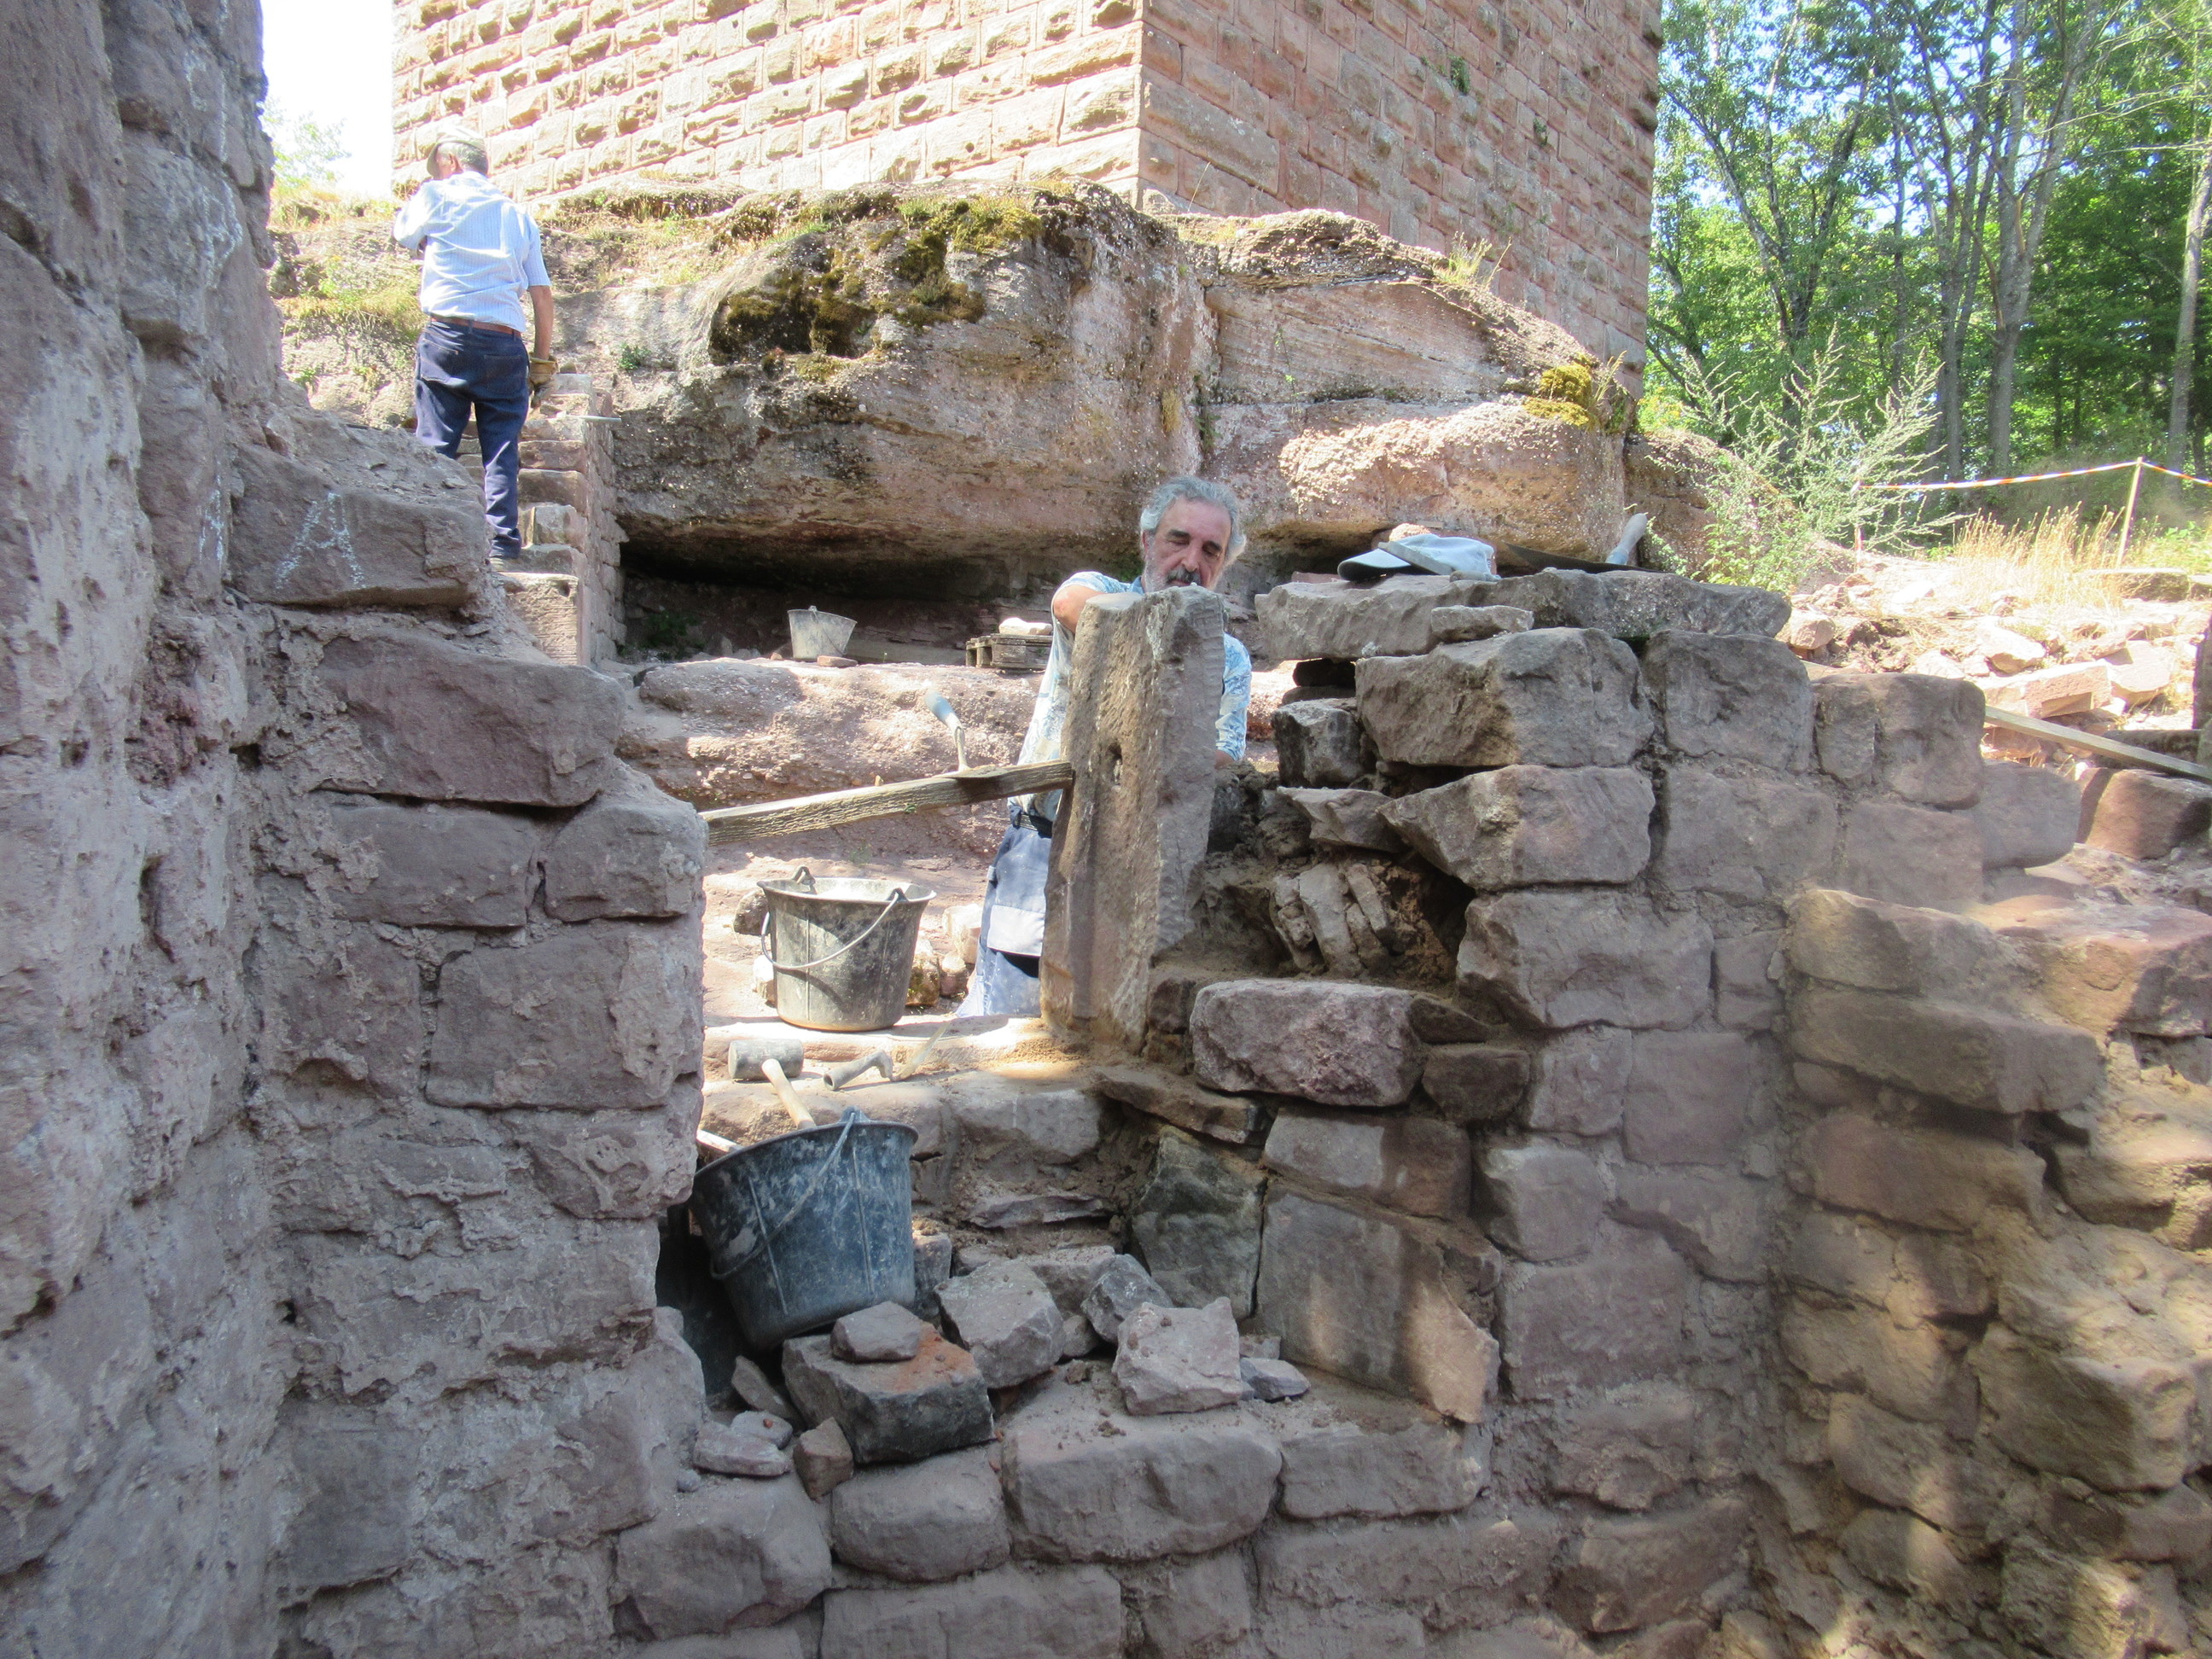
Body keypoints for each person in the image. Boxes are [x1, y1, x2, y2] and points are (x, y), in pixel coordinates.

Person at [961, 476, 1254, 1017]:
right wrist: (1160, 631)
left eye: (1210, 550)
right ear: (1147, 540)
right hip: (1047, 843)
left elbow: (1226, 752)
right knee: (1005, 1022)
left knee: (1104, 1028)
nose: (1191, 562)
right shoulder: (1102, 592)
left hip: (1143, 866)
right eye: (1178, 540)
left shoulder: (1229, 656)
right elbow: (1068, 602)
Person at [393, 130, 558, 562]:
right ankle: (502, 544)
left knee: (436, 445)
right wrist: (542, 360)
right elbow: (541, 294)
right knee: (501, 450)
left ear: (450, 162)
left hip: (447, 336)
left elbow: (403, 233)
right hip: (505, 343)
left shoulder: (436, 194)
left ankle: (432, 544)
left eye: (438, 167)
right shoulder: (518, 216)